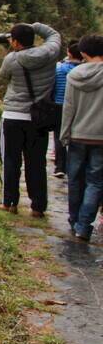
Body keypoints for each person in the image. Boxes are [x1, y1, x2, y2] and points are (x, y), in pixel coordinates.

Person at [0, 22, 63, 217]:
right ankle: (37, 207)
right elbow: (54, 34)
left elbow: (3, 75)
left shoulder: (12, 59)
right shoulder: (50, 53)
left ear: (14, 41)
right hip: (38, 117)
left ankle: (9, 203)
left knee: (10, 161)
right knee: (36, 162)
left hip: (14, 116)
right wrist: (32, 26)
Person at [60, 34, 103, 242]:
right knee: (95, 182)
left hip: (77, 135)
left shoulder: (74, 75)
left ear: (83, 52)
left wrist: (64, 134)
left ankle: (74, 219)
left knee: (75, 180)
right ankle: (84, 227)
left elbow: (68, 108)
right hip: (101, 138)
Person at [52, 40, 83, 178]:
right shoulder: (84, 72)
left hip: (59, 105)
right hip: (78, 106)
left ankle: (60, 166)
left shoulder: (58, 69)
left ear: (68, 54)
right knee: (76, 136)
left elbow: (53, 87)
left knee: (59, 136)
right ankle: (76, 166)